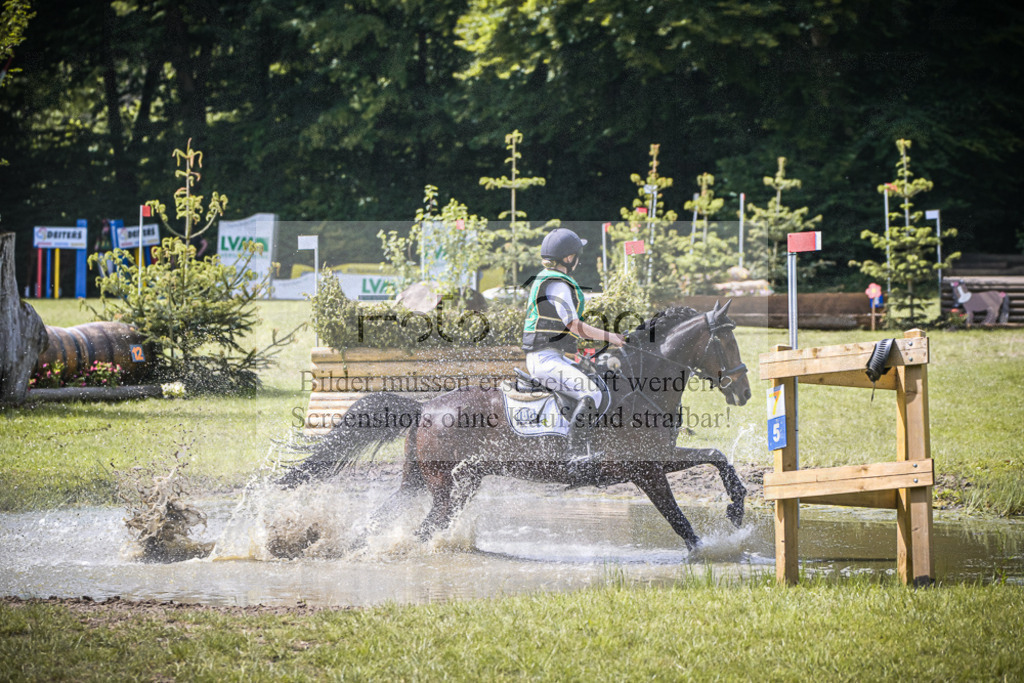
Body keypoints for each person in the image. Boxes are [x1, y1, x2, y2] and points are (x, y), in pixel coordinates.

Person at [521, 227, 626, 473]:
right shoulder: (557, 284)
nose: (578, 258)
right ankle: (576, 457)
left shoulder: (547, 278)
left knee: (597, 383)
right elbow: (575, 326)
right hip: (544, 360)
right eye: (576, 254)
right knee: (592, 394)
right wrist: (612, 337)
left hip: (550, 356)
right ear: (569, 258)